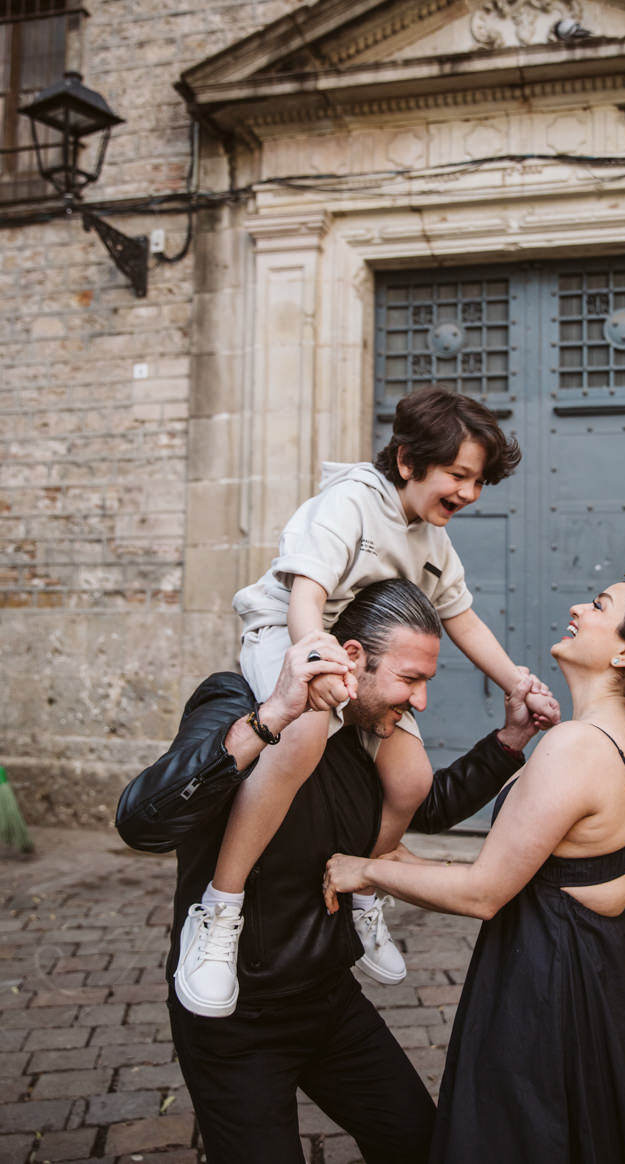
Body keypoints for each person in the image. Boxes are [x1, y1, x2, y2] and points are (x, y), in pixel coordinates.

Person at [116, 579, 541, 1164]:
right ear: (354, 659)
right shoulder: (236, 699)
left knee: (418, 1142)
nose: (420, 701)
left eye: (426, 683)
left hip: (330, 1000)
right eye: (409, 679)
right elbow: (143, 822)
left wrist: (510, 740)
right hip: (237, 1017)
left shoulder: (372, 736)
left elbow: (428, 806)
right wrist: (270, 720)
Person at [325, 571, 625, 1164]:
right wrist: (401, 858)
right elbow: (541, 870)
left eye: (599, 605)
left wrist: (363, 871)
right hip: (604, 969)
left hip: (550, 982)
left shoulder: (577, 745)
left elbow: (483, 892)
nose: (577, 606)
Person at [176, 385, 558, 1015]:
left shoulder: (432, 541)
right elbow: (306, 594)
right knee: (299, 736)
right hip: (289, 632)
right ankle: (220, 907)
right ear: (408, 461)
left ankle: (362, 884)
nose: (469, 493)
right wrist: (314, 665)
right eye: (459, 474)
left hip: (357, 656)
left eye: (479, 481)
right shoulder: (349, 503)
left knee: (409, 780)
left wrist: (515, 680)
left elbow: (463, 620)